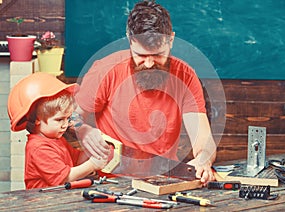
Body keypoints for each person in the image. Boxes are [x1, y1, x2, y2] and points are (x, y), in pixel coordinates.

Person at [74, 0, 216, 184]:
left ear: (171, 40)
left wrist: (203, 159)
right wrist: (84, 130)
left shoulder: (186, 76)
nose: (149, 64)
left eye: (157, 55)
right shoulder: (105, 70)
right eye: (141, 56)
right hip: (109, 181)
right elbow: (72, 116)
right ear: (129, 40)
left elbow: (204, 139)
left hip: (161, 181)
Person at [7, 72, 108, 189]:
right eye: (59, 119)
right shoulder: (38, 148)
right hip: (42, 204)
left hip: (57, 199)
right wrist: (93, 164)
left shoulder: (56, 139)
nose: (65, 124)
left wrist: (94, 150)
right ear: (37, 120)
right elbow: (64, 178)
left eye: (67, 118)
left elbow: (76, 162)